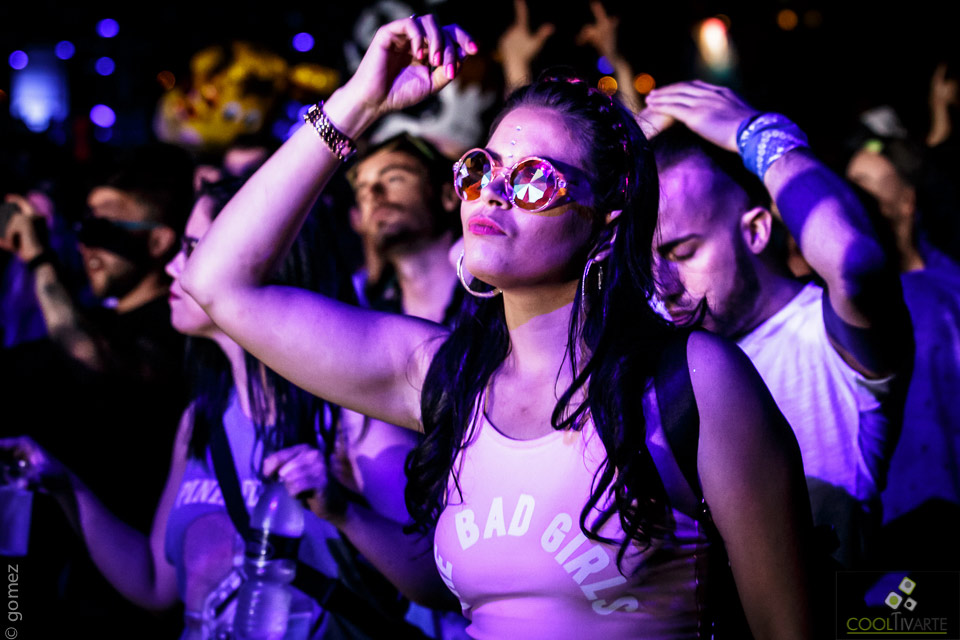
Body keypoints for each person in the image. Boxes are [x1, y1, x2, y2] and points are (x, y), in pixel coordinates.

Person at [179, 15, 815, 639]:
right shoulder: (445, 379)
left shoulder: (692, 380)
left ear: (607, 220)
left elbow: (788, 626)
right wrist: (358, 102)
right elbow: (220, 284)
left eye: (534, 178)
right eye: (481, 168)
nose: (493, 192)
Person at [0, 176, 421, 639]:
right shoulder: (203, 418)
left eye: (195, 250)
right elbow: (155, 585)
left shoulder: (351, 416)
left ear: (271, 261)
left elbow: (433, 581)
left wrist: (346, 514)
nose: (174, 267)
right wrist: (63, 483)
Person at [642, 81, 914, 570]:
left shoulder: (823, 336)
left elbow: (853, 263)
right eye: (645, 262)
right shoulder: (661, 347)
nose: (661, 284)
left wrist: (757, 133)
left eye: (681, 252)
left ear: (755, 229)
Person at [347, 132, 463, 323]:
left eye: (394, 178)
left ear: (448, 195)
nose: (374, 194)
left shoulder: (495, 292)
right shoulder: (368, 315)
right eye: (362, 192)